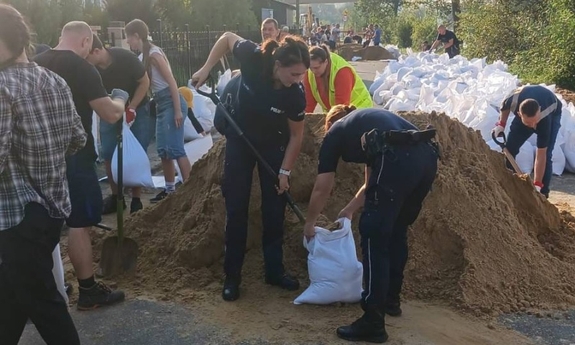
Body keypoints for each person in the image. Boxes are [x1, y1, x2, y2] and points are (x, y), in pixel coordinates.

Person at [304, 106, 439, 343]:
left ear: (329, 125)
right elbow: (370, 183)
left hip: (399, 158)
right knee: (397, 230)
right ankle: (390, 301)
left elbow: (322, 187)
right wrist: (349, 210)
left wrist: (310, 223)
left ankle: (373, 322)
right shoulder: (368, 125)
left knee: (373, 234)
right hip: (426, 158)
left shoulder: (334, 133)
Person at [191, 32, 310, 302]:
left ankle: (274, 271)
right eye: (294, 74)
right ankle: (232, 276)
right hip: (239, 138)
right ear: (278, 65)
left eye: (302, 75)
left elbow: (296, 136)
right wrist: (206, 68)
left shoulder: (295, 96)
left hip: (273, 145)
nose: (299, 81)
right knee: (236, 208)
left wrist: (285, 172)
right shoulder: (254, 57)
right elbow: (225, 38)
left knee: (273, 210)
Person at [0, 5, 86, 343]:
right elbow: (78, 139)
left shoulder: (2, 87)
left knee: (45, 306)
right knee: (11, 298)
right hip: (52, 210)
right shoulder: (54, 81)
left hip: (17, 218)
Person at [34, 21, 127, 310]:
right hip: (74, 155)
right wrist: (121, 100)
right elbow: (109, 114)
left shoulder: (36, 63)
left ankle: (45, 287)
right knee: (78, 224)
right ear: (86, 41)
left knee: (42, 225)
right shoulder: (81, 67)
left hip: (38, 156)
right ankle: (88, 290)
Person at [125, 19, 192, 202]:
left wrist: (178, 110)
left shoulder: (154, 54)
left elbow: (171, 80)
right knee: (163, 149)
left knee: (175, 148)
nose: (128, 43)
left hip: (171, 102)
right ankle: (170, 190)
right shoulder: (142, 57)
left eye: (128, 38)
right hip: (161, 104)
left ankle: (190, 191)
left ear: (137, 36)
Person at [86, 34, 153, 214]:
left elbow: (144, 81)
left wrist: (132, 107)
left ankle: (136, 200)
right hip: (110, 112)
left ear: (97, 51)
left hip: (136, 108)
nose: (86, 60)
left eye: (87, 56)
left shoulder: (126, 58)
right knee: (108, 152)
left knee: (136, 151)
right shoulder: (91, 69)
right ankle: (117, 198)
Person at [492, 85, 562, 198]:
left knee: (547, 154)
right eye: (529, 123)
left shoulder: (544, 120)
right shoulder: (512, 99)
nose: (533, 126)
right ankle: (511, 189)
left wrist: (537, 183)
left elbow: (541, 154)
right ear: (519, 115)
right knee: (510, 149)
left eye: (534, 122)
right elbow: (504, 108)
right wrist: (501, 124)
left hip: (552, 111)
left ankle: (542, 195)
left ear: (539, 110)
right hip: (526, 113)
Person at [304, 44, 372, 113]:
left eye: (317, 68)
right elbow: (308, 104)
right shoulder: (309, 72)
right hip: (336, 111)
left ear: (326, 62)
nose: (313, 71)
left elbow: (341, 108)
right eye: (310, 68)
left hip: (359, 109)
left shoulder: (342, 72)